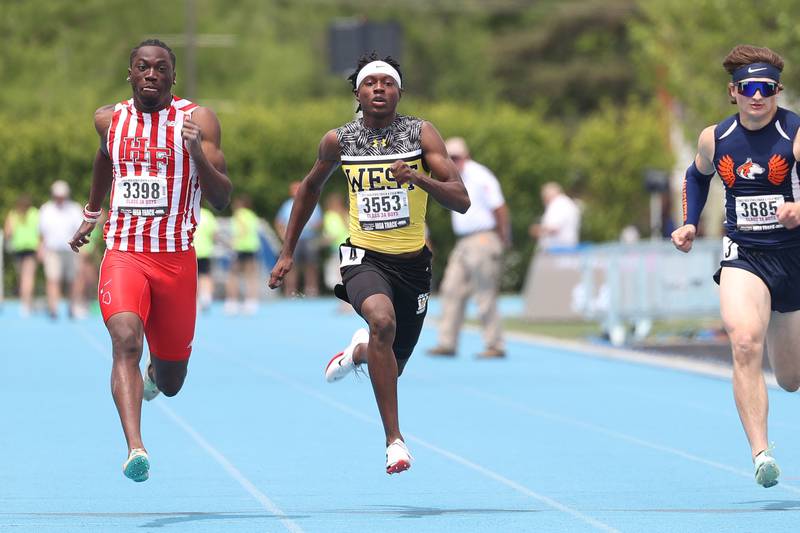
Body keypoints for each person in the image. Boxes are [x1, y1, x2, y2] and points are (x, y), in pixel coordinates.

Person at [268, 53, 470, 474]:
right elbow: (308, 190)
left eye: (388, 82)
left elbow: (461, 199)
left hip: (412, 265)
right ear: (357, 93)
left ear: (400, 91)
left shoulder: (421, 134)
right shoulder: (339, 140)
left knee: (391, 361)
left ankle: (357, 353)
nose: (379, 88)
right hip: (363, 256)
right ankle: (394, 441)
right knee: (381, 320)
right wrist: (288, 250)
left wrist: (417, 178)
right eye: (370, 83)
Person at [68, 39, 232, 482]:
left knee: (174, 382)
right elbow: (105, 158)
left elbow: (221, 198)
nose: (151, 74)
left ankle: (158, 372)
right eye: (143, 67)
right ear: (131, 73)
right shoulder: (109, 119)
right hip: (124, 253)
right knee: (125, 339)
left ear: (172, 76)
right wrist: (91, 212)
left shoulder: (197, 120)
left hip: (176, 261)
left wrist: (197, 153)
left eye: (161, 67)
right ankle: (135, 447)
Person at [671, 44, 800, 489]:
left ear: (777, 90)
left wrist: (799, 208)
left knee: (791, 378)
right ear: (734, 92)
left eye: (766, 88)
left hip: (793, 256)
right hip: (743, 253)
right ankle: (762, 452)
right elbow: (695, 175)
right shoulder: (716, 137)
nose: (758, 96)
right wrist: (688, 223)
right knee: (744, 342)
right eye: (749, 88)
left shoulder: (796, 134)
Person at [427, 137, 511, 359]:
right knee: (451, 289)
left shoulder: (480, 175)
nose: (453, 162)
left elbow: (499, 207)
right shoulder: (454, 178)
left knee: (484, 292)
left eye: (457, 158)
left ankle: (495, 343)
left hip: (482, 238)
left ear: (466, 157)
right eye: (450, 158)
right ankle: (447, 342)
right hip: (463, 242)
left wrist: (504, 237)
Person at [39, 180, 83, 318]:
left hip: (71, 250)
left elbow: (81, 229)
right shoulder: (46, 209)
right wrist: (40, 248)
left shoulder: (74, 208)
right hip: (52, 249)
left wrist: (83, 249)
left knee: (72, 280)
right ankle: (53, 308)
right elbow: (41, 232)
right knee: (53, 279)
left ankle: (72, 306)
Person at [275, 181, 322, 297]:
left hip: (309, 238)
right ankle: (291, 291)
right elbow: (279, 222)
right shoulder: (287, 205)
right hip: (294, 240)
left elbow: (320, 222)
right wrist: (283, 236)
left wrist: (312, 226)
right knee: (290, 266)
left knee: (311, 265)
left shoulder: (312, 202)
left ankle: (311, 290)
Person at [3, 194, 39, 316]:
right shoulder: (34, 213)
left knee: (22, 276)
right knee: (28, 277)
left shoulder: (13, 214)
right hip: (30, 247)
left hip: (18, 248)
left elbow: (8, 232)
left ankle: (25, 302)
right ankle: (26, 303)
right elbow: (41, 230)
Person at [224, 196, 261, 315]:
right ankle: (251, 302)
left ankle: (232, 302)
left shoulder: (239, 214)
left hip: (240, 247)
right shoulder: (252, 215)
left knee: (233, 275)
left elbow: (242, 229)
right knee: (251, 276)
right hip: (252, 247)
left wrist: (233, 241)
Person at [528, 182, 580, 250]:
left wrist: (536, 230)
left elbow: (553, 227)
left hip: (556, 251)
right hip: (567, 248)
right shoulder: (569, 203)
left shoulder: (557, 204)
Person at [321, 192, 349, 291]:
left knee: (335, 277)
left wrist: (320, 243)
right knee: (348, 275)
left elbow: (332, 235)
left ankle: (344, 303)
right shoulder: (347, 214)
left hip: (338, 249)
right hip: (351, 247)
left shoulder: (330, 216)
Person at [195, 205, 219, 312]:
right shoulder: (208, 215)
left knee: (194, 277)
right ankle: (207, 297)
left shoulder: (190, 211)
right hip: (205, 251)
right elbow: (214, 234)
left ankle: (197, 300)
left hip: (192, 250)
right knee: (205, 275)